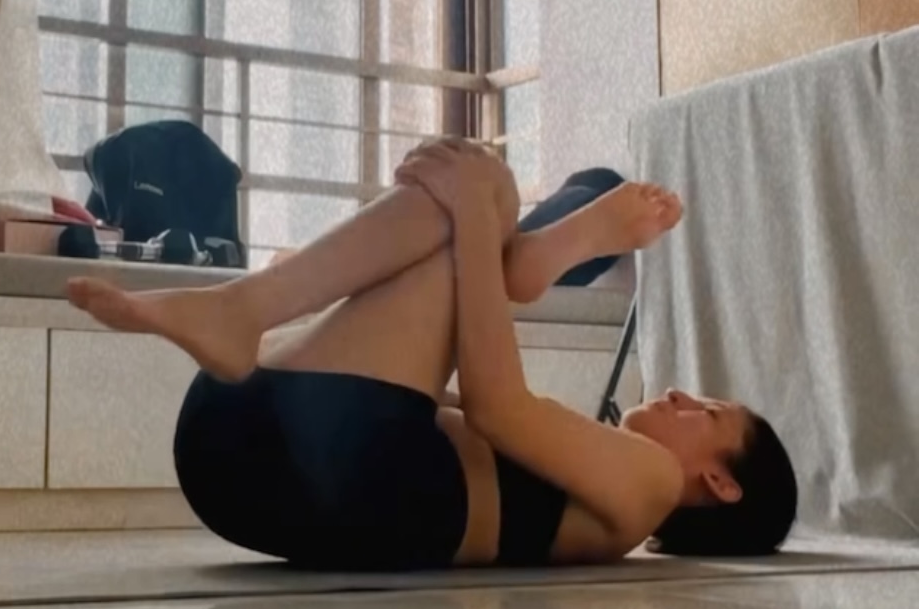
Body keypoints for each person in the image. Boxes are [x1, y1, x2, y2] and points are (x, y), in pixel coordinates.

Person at [66, 139, 798, 569]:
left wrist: (478, 214)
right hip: (266, 453)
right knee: (482, 198)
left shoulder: (653, 484)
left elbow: (496, 406)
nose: (681, 396)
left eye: (708, 413)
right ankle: (247, 309)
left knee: (484, 194)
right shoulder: (614, 479)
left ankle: (252, 306)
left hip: (329, 473)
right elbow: (457, 382)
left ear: (720, 483)